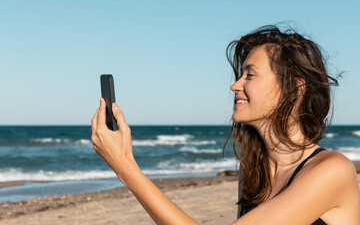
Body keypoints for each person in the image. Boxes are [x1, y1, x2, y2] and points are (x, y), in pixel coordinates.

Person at [91, 25, 360, 224]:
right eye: (239, 74)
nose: (235, 85)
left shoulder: (331, 170)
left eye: (249, 75)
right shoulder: (254, 170)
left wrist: (126, 168)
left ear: (295, 87)